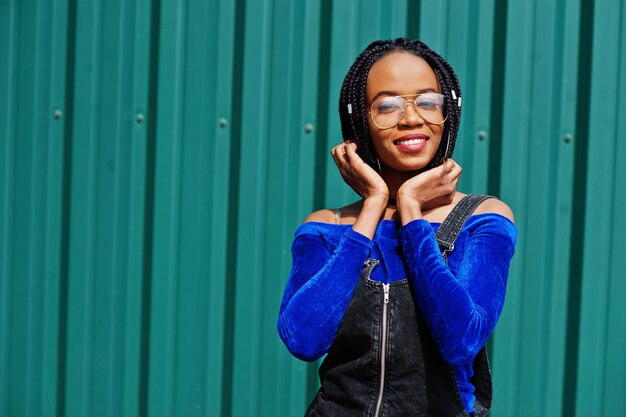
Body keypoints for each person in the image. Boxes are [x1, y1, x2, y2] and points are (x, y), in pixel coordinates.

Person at [277, 38, 517, 417]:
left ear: (447, 112)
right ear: (360, 120)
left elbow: (461, 338)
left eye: (427, 102)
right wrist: (373, 205)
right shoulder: (325, 227)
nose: (410, 118)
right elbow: (303, 339)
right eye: (387, 106)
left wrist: (410, 210)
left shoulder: (482, 218)